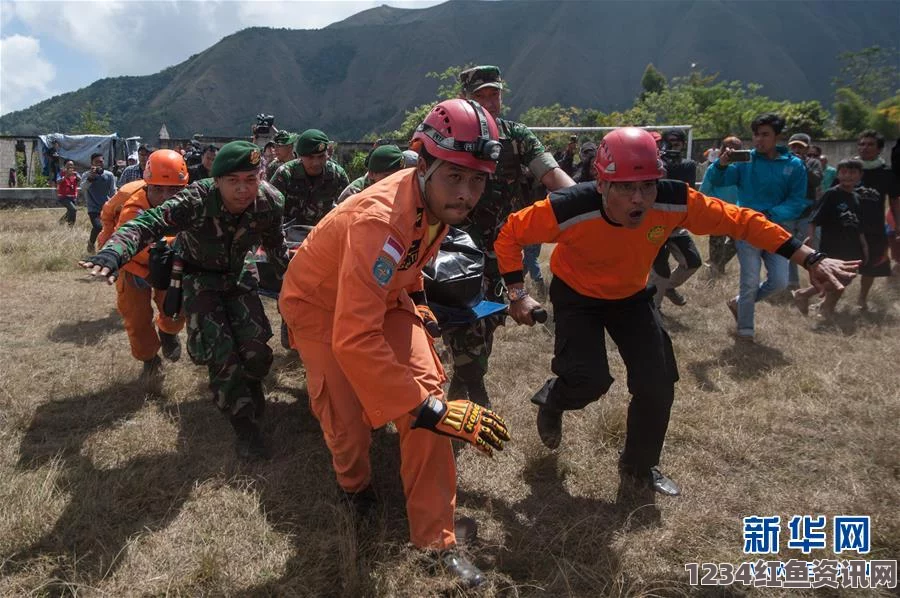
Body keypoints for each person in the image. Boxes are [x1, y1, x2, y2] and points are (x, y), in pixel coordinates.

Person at [493, 127, 859, 496]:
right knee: (589, 380)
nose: (639, 199)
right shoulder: (568, 206)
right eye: (625, 187)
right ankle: (554, 400)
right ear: (601, 183)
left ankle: (639, 467)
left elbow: (742, 221)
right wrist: (518, 293)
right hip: (577, 297)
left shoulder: (674, 200)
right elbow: (510, 233)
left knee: (657, 382)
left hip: (632, 296)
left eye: (648, 185)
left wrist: (809, 257)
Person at [278, 99, 511, 588]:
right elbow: (352, 335)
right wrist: (425, 409)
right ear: (422, 163)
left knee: (430, 401)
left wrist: (417, 302)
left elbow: (404, 265)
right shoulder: (379, 219)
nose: (467, 194)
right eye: (456, 177)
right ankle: (356, 489)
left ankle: (436, 542)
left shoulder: (435, 199)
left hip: (382, 298)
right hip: (319, 308)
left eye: (477, 180)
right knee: (347, 422)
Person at [79, 141, 289, 460]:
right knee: (221, 352)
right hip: (198, 276)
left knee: (256, 348)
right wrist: (113, 252)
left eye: (251, 179)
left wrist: (290, 278)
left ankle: (252, 382)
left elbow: (275, 244)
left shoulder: (270, 201)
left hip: (238, 274)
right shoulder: (196, 199)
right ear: (216, 180)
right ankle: (244, 426)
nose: (244, 189)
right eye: (234, 181)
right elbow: (146, 224)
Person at [444, 65, 575, 408]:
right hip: (455, 253)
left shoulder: (517, 136)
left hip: (502, 253)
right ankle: (472, 391)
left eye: (495, 93)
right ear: (465, 98)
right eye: (481, 95)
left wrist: (584, 204)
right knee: (463, 327)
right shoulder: (453, 133)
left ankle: (465, 379)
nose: (490, 101)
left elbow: (551, 174)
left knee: (489, 324)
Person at [705, 113, 808, 341]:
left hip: (777, 230)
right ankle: (745, 331)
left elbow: (796, 200)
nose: (758, 140)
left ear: (778, 136)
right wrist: (720, 165)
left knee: (780, 281)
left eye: (765, 134)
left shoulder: (794, 165)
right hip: (746, 228)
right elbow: (720, 180)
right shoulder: (746, 160)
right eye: (755, 134)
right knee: (749, 280)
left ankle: (739, 303)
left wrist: (770, 215)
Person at [99, 150, 189, 390]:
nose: (165, 197)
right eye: (157, 189)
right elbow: (122, 237)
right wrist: (108, 240)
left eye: (173, 191)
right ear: (147, 184)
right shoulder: (130, 204)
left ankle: (169, 333)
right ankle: (149, 359)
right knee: (136, 318)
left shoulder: (191, 203)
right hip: (133, 267)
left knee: (176, 308)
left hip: (169, 266)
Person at [792, 159, 868, 318]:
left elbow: (859, 226)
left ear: (860, 176)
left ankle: (825, 308)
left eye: (853, 172)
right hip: (833, 244)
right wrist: (810, 238)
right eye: (844, 172)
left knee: (845, 279)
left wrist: (864, 246)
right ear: (838, 174)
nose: (848, 176)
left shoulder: (856, 197)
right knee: (835, 278)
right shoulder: (832, 194)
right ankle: (804, 295)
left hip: (852, 246)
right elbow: (814, 218)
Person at [650, 128, 702, 308]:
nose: (673, 146)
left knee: (693, 261)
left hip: (676, 222)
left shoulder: (688, 165)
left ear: (683, 144)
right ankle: (654, 310)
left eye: (677, 143)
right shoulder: (655, 163)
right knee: (660, 269)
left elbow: (688, 191)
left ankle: (667, 288)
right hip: (654, 223)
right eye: (669, 143)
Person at [853, 129, 900, 311]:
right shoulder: (849, 168)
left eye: (870, 144)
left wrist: (898, 226)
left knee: (871, 265)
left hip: (874, 227)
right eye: (862, 144)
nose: (865, 148)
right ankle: (828, 299)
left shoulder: (887, 174)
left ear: (879, 149)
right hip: (847, 225)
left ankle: (861, 299)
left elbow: (895, 201)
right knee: (840, 262)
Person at [269, 128, 350, 226]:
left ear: (327, 155)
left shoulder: (336, 174)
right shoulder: (285, 174)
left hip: (324, 232)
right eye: (310, 157)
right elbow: (270, 209)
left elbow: (348, 209)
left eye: (321, 156)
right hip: (290, 234)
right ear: (300, 156)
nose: (316, 163)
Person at [785, 133, 824, 290]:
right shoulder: (783, 163)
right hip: (787, 213)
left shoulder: (813, 163)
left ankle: (817, 283)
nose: (796, 149)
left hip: (807, 214)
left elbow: (816, 181)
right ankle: (791, 284)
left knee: (813, 249)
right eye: (794, 146)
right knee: (788, 249)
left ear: (807, 148)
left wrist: (802, 165)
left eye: (800, 146)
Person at [700, 136, 743, 275]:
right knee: (716, 244)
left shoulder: (742, 170)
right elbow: (704, 189)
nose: (732, 150)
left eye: (736, 148)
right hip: (717, 212)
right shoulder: (714, 168)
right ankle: (715, 273)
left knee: (739, 242)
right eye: (728, 147)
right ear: (722, 150)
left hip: (737, 212)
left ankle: (716, 264)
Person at [335, 144, 406, 204]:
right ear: (371, 174)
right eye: (387, 176)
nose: (394, 181)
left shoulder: (405, 186)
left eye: (399, 175)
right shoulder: (355, 193)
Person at [81, 152, 117, 253]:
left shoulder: (109, 175)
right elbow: (83, 188)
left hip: (106, 207)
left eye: (101, 162)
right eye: (96, 162)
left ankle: (105, 249)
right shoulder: (86, 175)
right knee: (98, 226)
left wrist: (115, 204)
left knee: (110, 229)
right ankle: (91, 243)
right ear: (91, 163)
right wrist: (91, 178)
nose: (99, 164)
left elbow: (113, 191)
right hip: (93, 208)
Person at [56, 161, 80, 226]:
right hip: (64, 197)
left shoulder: (75, 173)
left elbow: (79, 179)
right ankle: (70, 225)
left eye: (72, 165)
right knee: (73, 209)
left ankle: (62, 222)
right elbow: (58, 181)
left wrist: (75, 175)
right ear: (65, 166)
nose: (70, 167)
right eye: (68, 165)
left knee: (70, 211)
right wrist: (66, 176)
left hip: (73, 196)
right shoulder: (61, 173)